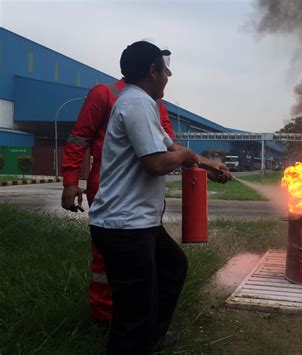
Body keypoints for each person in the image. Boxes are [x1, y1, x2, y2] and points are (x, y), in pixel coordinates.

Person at [61, 42, 230, 324]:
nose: (167, 78)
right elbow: (153, 161)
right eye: (166, 72)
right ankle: (109, 318)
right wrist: (69, 181)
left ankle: (144, 331)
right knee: (119, 276)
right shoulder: (120, 98)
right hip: (118, 199)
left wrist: (206, 165)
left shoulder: (149, 103)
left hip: (138, 205)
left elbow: (168, 145)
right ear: (152, 71)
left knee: (169, 267)